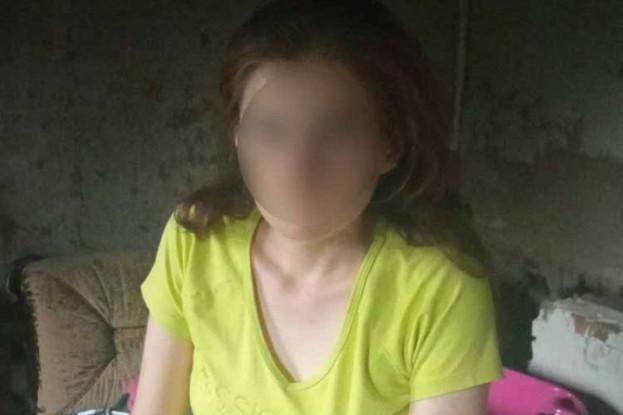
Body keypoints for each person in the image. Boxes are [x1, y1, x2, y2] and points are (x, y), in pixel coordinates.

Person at [131, 1, 504, 414]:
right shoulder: (196, 239)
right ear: (238, 135)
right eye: (270, 129)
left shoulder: (439, 288)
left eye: (335, 132)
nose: (296, 168)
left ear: (388, 146)